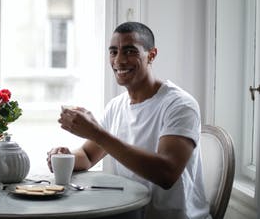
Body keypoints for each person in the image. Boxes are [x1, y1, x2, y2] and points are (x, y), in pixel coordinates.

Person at [47, 21, 210, 219]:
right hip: (130, 213)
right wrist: (64, 156)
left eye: (130, 51)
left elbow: (166, 173)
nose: (119, 60)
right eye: (113, 51)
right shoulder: (116, 106)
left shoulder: (180, 105)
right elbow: (88, 156)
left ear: (151, 55)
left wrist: (96, 132)